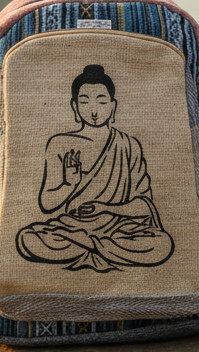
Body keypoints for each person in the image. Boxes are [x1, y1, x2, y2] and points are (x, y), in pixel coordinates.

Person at [16, 63, 174, 272]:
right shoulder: (60, 143)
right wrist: (69, 184)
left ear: (113, 106)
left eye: (101, 101)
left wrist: (107, 208)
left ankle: (89, 245)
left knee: (161, 244)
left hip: (119, 228)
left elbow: (144, 206)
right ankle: (99, 248)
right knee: (28, 239)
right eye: (84, 101)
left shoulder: (127, 144)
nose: (93, 110)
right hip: (71, 226)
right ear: (75, 107)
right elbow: (47, 203)